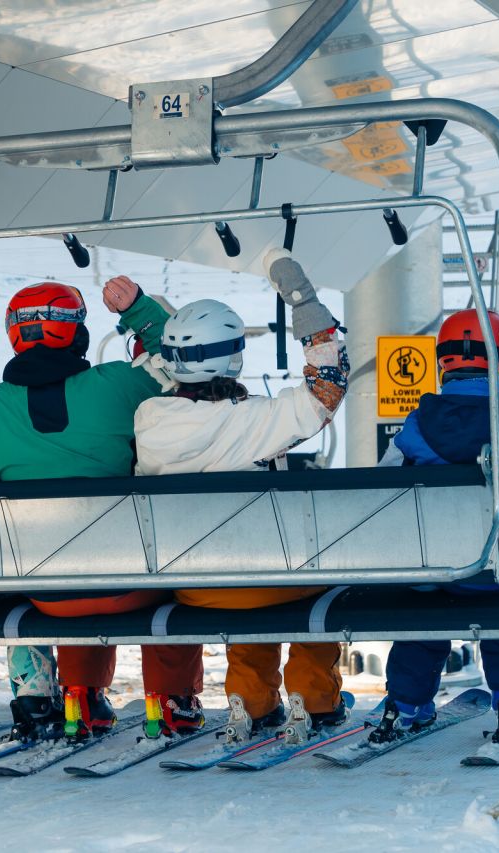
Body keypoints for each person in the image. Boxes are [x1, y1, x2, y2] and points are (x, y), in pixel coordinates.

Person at [0, 279, 205, 741]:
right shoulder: (119, 384)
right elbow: (178, 362)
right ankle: (171, 699)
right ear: (75, 335)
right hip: (128, 584)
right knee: (167, 572)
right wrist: (137, 308)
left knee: (62, 554)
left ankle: (80, 695)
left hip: (46, 592)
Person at [132, 248, 351, 742]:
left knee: (240, 571)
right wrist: (306, 305)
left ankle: (252, 701)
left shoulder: (149, 421)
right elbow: (327, 388)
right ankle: (314, 698)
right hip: (265, 579)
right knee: (307, 575)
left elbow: (163, 373)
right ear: (234, 355)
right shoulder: (256, 422)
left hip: (194, 586)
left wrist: (142, 316)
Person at [373, 307, 499, 743]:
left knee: (423, 606)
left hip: (431, 578)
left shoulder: (415, 427)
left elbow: (385, 495)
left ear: (443, 363)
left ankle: (407, 701)